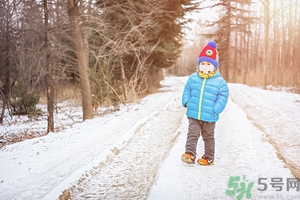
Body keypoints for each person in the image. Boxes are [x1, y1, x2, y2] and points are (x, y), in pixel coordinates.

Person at [181, 40, 229, 166]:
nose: (205, 65)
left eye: (208, 63)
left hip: (209, 116)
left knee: (208, 137)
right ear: (199, 64)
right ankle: (189, 154)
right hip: (193, 114)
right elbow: (187, 89)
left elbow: (223, 96)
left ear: (214, 66)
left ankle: (208, 157)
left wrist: (216, 109)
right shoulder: (193, 78)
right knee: (192, 134)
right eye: (203, 63)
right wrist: (186, 101)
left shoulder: (220, 82)